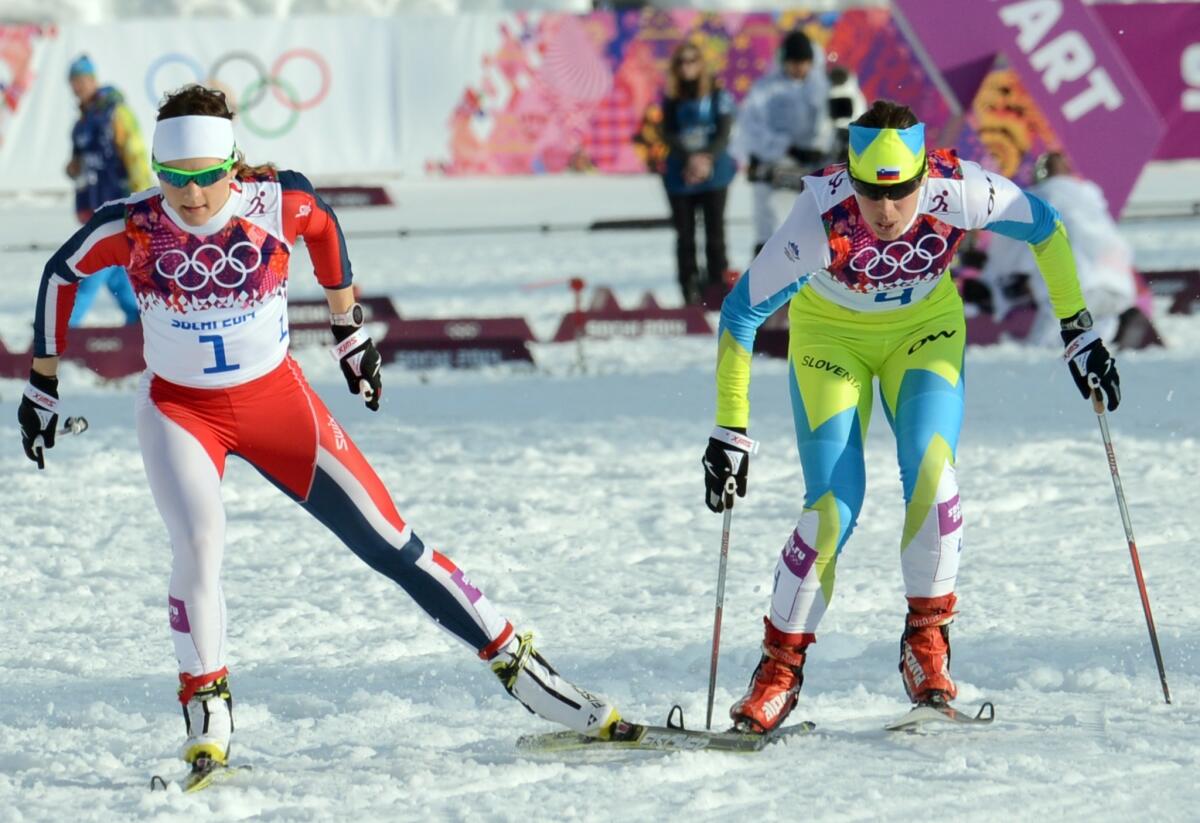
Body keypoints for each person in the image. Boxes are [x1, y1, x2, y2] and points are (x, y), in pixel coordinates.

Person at [18, 85, 620, 774]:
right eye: (174, 179)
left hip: (277, 403)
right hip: (180, 411)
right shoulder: (133, 223)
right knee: (198, 542)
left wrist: (348, 331)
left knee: (392, 542)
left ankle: (529, 673)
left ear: (234, 166)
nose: (190, 196)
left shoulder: (278, 202)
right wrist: (43, 380)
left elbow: (326, 228)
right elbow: (59, 273)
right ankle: (207, 710)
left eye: (208, 177)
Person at [701, 100, 1120, 733]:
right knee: (832, 508)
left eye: (901, 192)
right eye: (871, 191)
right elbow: (740, 314)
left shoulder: (962, 189)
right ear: (851, 175)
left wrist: (1078, 330)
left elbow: (1047, 228)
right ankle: (778, 672)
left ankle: (927, 643)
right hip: (830, 341)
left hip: (925, 330)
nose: (887, 209)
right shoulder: (821, 219)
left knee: (932, 472)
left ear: (926, 173)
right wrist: (731, 429)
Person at [967, 151, 1145, 346]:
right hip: (1119, 287)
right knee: (1094, 348)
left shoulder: (1039, 198)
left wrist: (988, 270)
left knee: (1042, 356)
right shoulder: (1089, 201)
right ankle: (1117, 329)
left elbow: (1008, 251)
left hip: (1076, 288)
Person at [64, 54, 150, 326]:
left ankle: (65, 325)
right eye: (73, 82)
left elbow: (134, 153)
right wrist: (73, 169)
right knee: (116, 272)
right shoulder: (81, 123)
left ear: (93, 80)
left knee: (92, 265)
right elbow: (79, 163)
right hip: (92, 207)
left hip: (116, 205)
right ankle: (137, 320)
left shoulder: (116, 112)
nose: (78, 87)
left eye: (82, 80)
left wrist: (143, 199)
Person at [735, 29, 831, 255]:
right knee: (770, 222)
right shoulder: (766, 89)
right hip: (775, 166)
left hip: (811, 166)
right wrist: (785, 147)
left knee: (811, 224)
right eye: (794, 62)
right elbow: (752, 127)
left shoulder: (821, 87)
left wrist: (817, 148)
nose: (799, 68)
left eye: (804, 62)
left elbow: (830, 123)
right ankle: (765, 265)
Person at [659, 42, 736, 307]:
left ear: (701, 63)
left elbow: (724, 131)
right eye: (681, 62)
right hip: (680, 175)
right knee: (685, 236)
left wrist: (706, 159)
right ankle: (689, 291)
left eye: (692, 60)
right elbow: (668, 133)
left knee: (715, 233)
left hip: (714, 173)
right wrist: (690, 159)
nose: (686, 66)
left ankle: (718, 288)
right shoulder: (671, 97)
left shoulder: (717, 94)